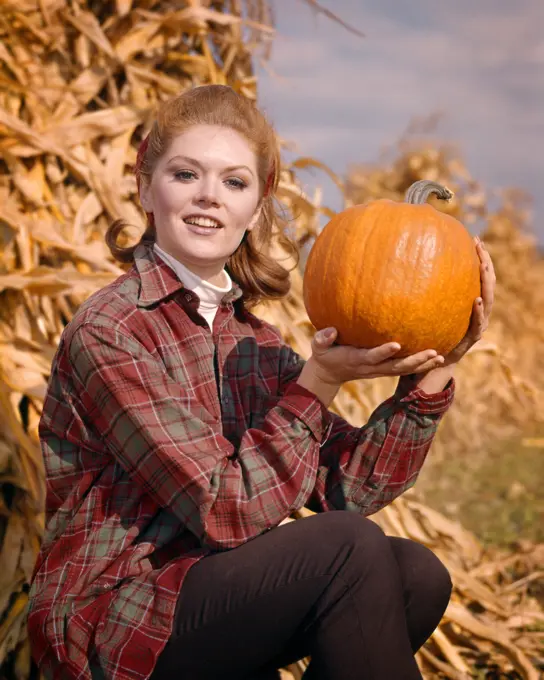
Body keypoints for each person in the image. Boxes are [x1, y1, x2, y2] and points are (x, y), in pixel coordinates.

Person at [27, 84, 495, 680]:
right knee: (347, 549)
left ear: (257, 205)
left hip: (208, 592)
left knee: (416, 574)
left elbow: (345, 490)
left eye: (234, 182)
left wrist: (439, 369)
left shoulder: (252, 342)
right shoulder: (112, 331)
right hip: (114, 615)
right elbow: (226, 510)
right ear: (147, 187)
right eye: (185, 174)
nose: (208, 198)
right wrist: (319, 381)